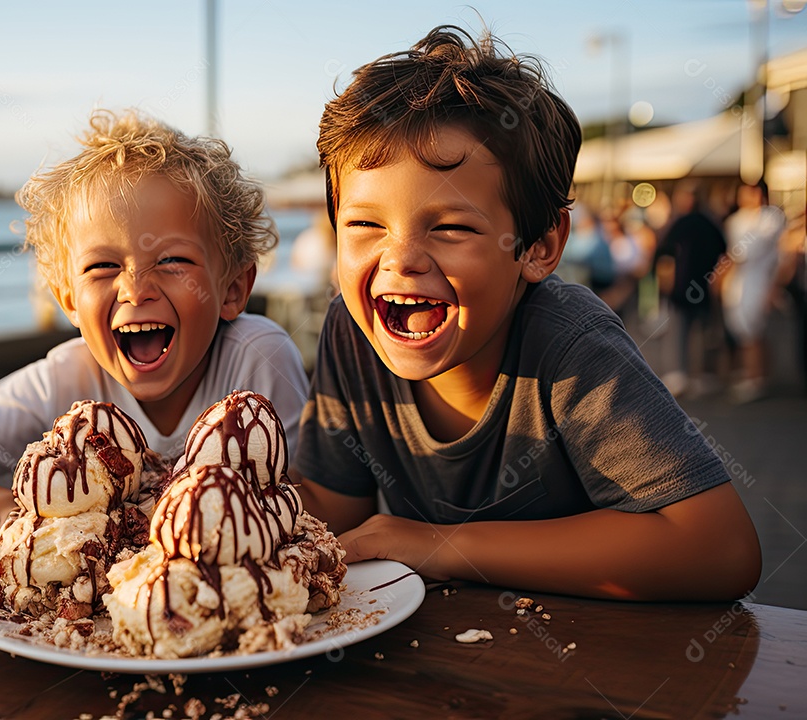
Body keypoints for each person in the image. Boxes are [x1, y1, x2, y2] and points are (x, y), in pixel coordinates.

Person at [292, 25, 760, 602]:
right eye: (365, 224)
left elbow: (720, 549)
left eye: (452, 227)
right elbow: (334, 511)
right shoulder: (351, 331)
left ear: (539, 246)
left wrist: (441, 545)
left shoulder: (570, 345)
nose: (401, 259)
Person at [0, 110, 309, 562]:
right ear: (68, 300)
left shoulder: (257, 361)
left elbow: (307, 501)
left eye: (172, 260)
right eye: (103, 266)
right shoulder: (66, 378)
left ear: (233, 289)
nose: (135, 289)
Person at [652, 181, 728, 398]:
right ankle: (697, 375)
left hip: (686, 285)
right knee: (698, 332)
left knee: (686, 331)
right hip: (699, 285)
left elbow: (663, 255)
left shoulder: (680, 223)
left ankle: (683, 374)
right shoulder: (710, 223)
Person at [722, 181, 786, 403]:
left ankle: (757, 378)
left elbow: (748, 251)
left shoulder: (770, 218)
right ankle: (752, 374)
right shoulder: (735, 220)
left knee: (753, 330)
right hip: (739, 281)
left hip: (758, 279)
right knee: (741, 329)